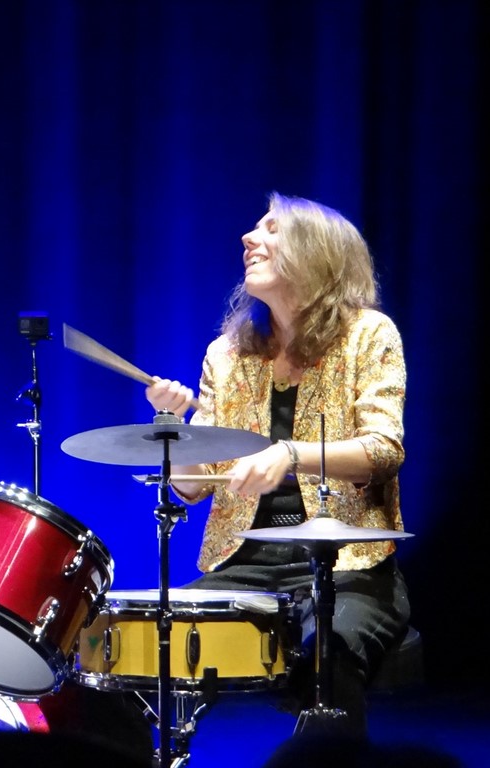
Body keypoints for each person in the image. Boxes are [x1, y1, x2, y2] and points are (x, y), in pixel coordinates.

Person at [145, 192, 411, 742]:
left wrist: (290, 453)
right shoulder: (226, 354)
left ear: (316, 251)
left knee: (327, 655)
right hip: (244, 563)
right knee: (146, 645)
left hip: (348, 567)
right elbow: (191, 487)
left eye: (270, 229)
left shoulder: (370, 335)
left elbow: (384, 450)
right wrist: (174, 426)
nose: (248, 238)